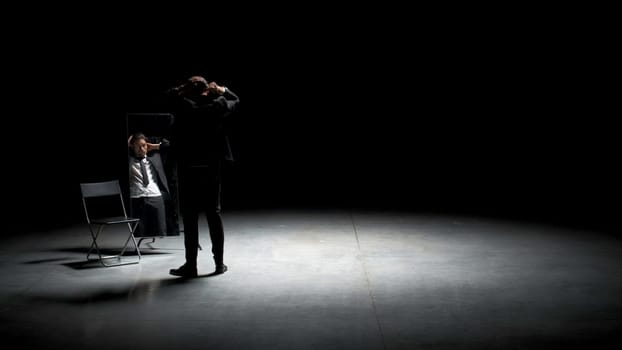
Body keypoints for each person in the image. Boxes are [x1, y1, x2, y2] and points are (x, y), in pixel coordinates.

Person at [166, 75, 240, 277]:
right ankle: (219, 264)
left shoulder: (183, 106)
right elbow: (236, 99)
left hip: (188, 167)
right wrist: (220, 90)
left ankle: (191, 265)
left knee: (190, 217)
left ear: (190, 90)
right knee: (213, 215)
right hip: (211, 168)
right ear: (206, 90)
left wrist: (184, 87)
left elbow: (168, 95)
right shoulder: (218, 106)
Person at [128, 132, 171, 237]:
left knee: (160, 231)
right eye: (138, 146)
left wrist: (155, 146)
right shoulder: (130, 160)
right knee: (139, 231)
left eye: (143, 145)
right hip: (137, 197)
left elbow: (169, 146)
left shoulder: (155, 157)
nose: (142, 149)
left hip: (155, 196)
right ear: (132, 146)